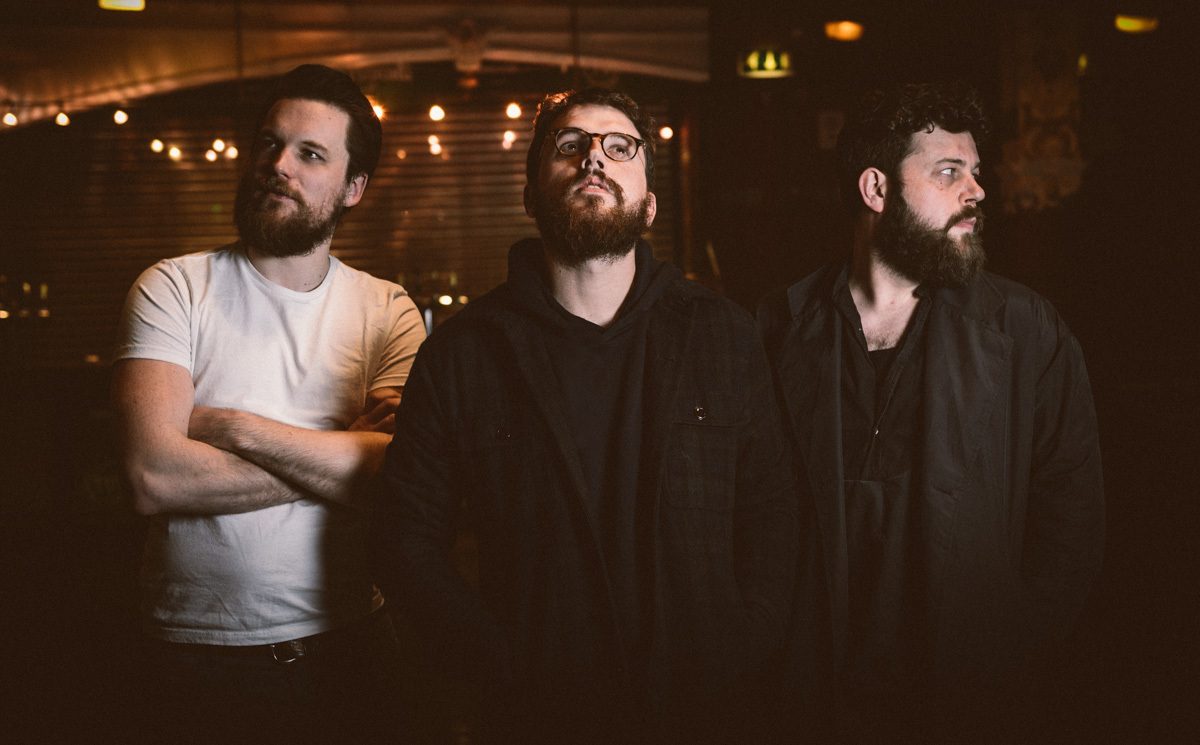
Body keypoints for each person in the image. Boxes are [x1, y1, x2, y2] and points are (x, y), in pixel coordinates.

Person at [373, 88, 798, 744]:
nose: (593, 158)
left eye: (619, 147)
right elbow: (404, 535)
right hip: (535, 717)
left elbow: (775, 510)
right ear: (530, 195)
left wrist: (741, 640)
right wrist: (495, 659)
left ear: (649, 203)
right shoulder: (465, 351)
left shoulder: (724, 333)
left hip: (702, 708)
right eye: (568, 145)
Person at [757, 82, 1105, 742]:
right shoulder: (778, 329)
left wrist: (1011, 647)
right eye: (949, 172)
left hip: (966, 697)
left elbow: (1073, 518)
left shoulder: (1023, 328)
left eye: (975, 171)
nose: (976, 190)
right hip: (814, 697)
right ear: (876, 189)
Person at [112, 64, 425, 743]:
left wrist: (232, 427)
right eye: (269, 144)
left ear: (353, 188)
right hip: (193, 654)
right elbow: (154, 476)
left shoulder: (388, 310)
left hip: (350, 643)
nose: (278, 165)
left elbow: (394, 476)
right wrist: (338, 449)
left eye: (310, 154)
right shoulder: (173, 288)